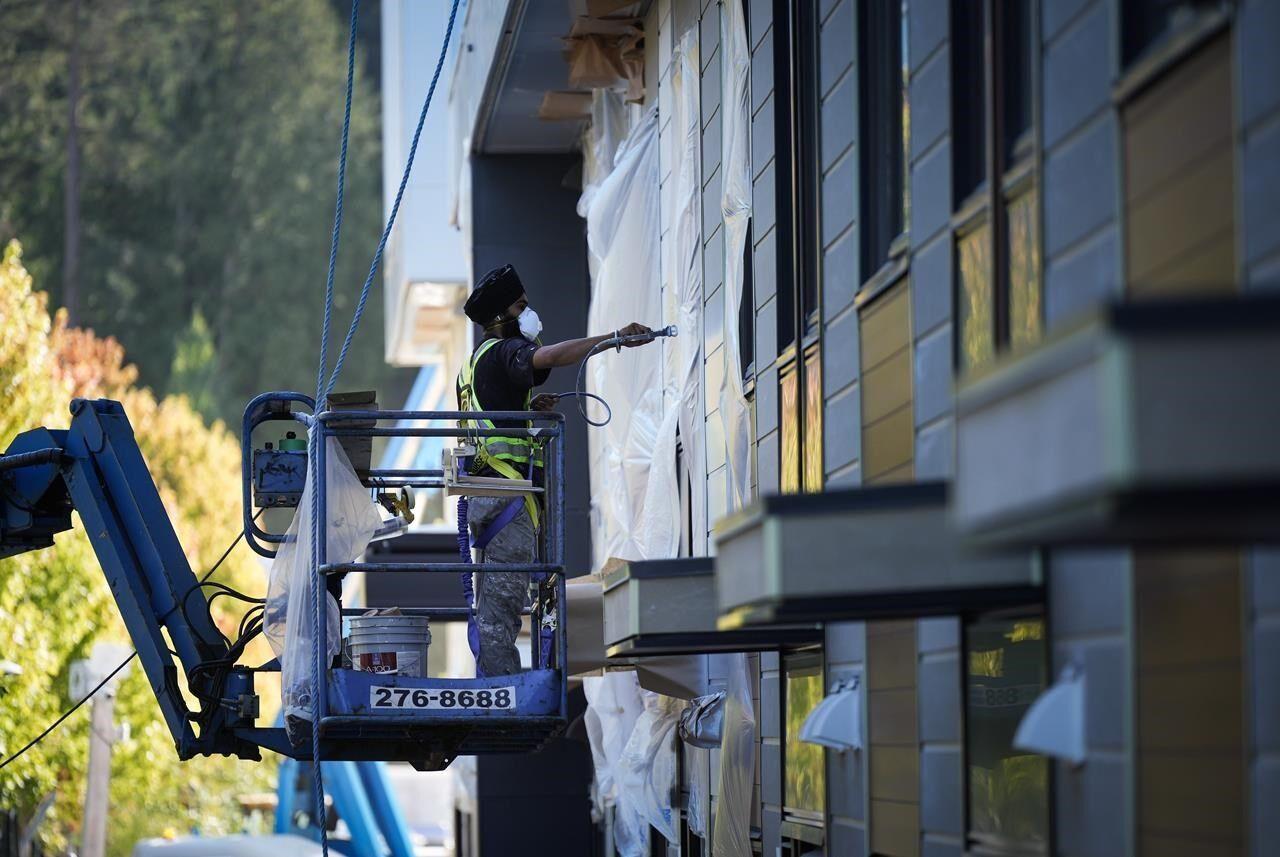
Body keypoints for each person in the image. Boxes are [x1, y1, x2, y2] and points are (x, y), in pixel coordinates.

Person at [457, 263, 656, 676]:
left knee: (496, 602)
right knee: (501, 610)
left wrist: (526, 411)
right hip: (507, 498)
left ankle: (498, 685)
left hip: (490, 495)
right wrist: (612, 339)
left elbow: (491, 418)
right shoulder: (506, 350)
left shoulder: (475, 362)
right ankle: (501, 695)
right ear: (501, 317)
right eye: (521, 305)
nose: (530, 313)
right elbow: (547, 356)